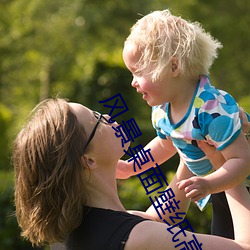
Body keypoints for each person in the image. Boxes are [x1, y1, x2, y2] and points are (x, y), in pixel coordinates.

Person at [13, 98, 250, 250]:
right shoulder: (138, 238)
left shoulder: (80, 231)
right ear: (88, 160)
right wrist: (226, 165)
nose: (108, 117)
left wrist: (190, 137)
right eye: (97, 120)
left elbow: (161, 218)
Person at [120, 9, 250, 239]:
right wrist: (131, 167)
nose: (133, 82)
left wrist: (209, 184)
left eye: (138, 72)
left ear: (173, 67)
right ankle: (155, 218)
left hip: (239, 185)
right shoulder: (162, 110)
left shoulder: (211, 109)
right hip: (219, 188)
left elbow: (242, 160)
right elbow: (166, 145)